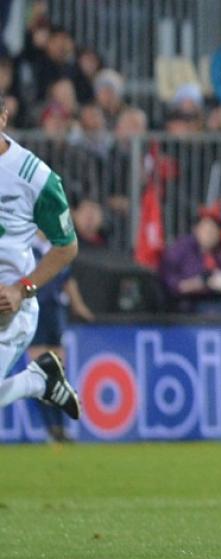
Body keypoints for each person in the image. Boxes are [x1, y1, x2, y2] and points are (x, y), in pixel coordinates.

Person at [0, 94, 82, 421]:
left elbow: (66, 247)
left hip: (8, 310)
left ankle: (37, 380)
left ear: (3, 118)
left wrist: (22, 289)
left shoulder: (35, 178)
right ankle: (39, 380)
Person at [28, 234, 95, 441]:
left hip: (55, 311)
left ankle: (60, 427)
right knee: (39, 371)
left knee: (57, 374)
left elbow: (67, 280)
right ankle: (49, 428)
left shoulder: (57, 247)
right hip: (33, 311)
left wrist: (79, 306)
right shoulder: (27, 246)